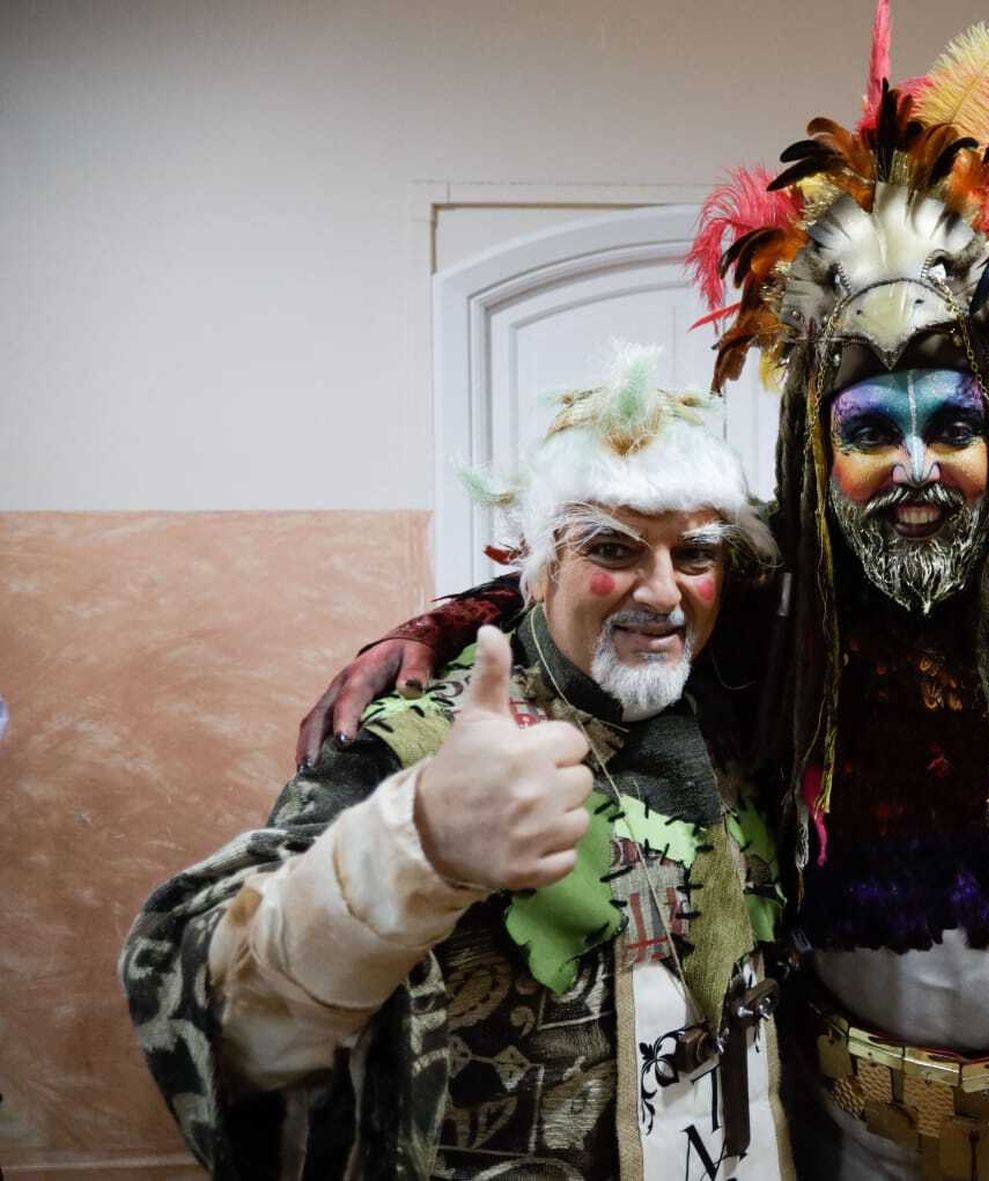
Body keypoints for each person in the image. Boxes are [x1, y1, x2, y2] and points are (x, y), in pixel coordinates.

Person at [296, 8, 989, 1176]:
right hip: (845, 1125)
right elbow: (604, 582)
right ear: (812, 451)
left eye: (955, 426)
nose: (919, 467)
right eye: (872, 430)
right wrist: (445, 629)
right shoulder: (777, 592)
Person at [121, 345, 796, 1180]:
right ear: (541, 562)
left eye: (694, 555)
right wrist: (418, 843)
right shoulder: (423, 744)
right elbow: (222, 1013)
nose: (661, 591)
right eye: (614, 550)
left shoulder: (741, 715)